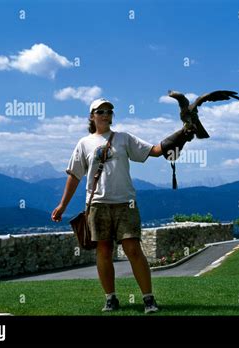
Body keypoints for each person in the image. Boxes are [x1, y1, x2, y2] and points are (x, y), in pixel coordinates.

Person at [51, 98, 195, 314]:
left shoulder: (124, 139)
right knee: (104, 251)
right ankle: (110, 299)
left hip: (125, 203)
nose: (106, 114)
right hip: (97, 204)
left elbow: (154, 151)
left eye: (109, 111)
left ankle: (148, 299)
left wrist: (181, 134)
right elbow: (74, 176)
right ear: (92, 116)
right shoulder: (84, 144)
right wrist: (63, 205)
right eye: (100, 111)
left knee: (132, 248)